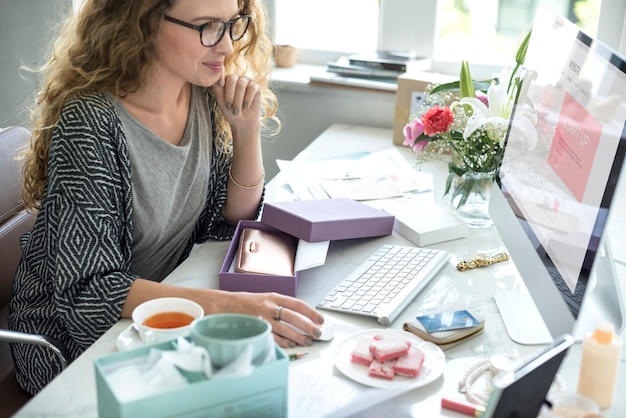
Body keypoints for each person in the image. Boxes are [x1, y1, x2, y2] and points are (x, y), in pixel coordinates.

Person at [9, 0, 324, 395]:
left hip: (165, 306)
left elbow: (225, 222)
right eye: (208, 26)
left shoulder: (203, 93)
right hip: (72, 344)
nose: (227, 46)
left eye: (232, 24)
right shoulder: (88, 124)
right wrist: (234, 306)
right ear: (143, 23)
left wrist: (246, 131)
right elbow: (88, 292)